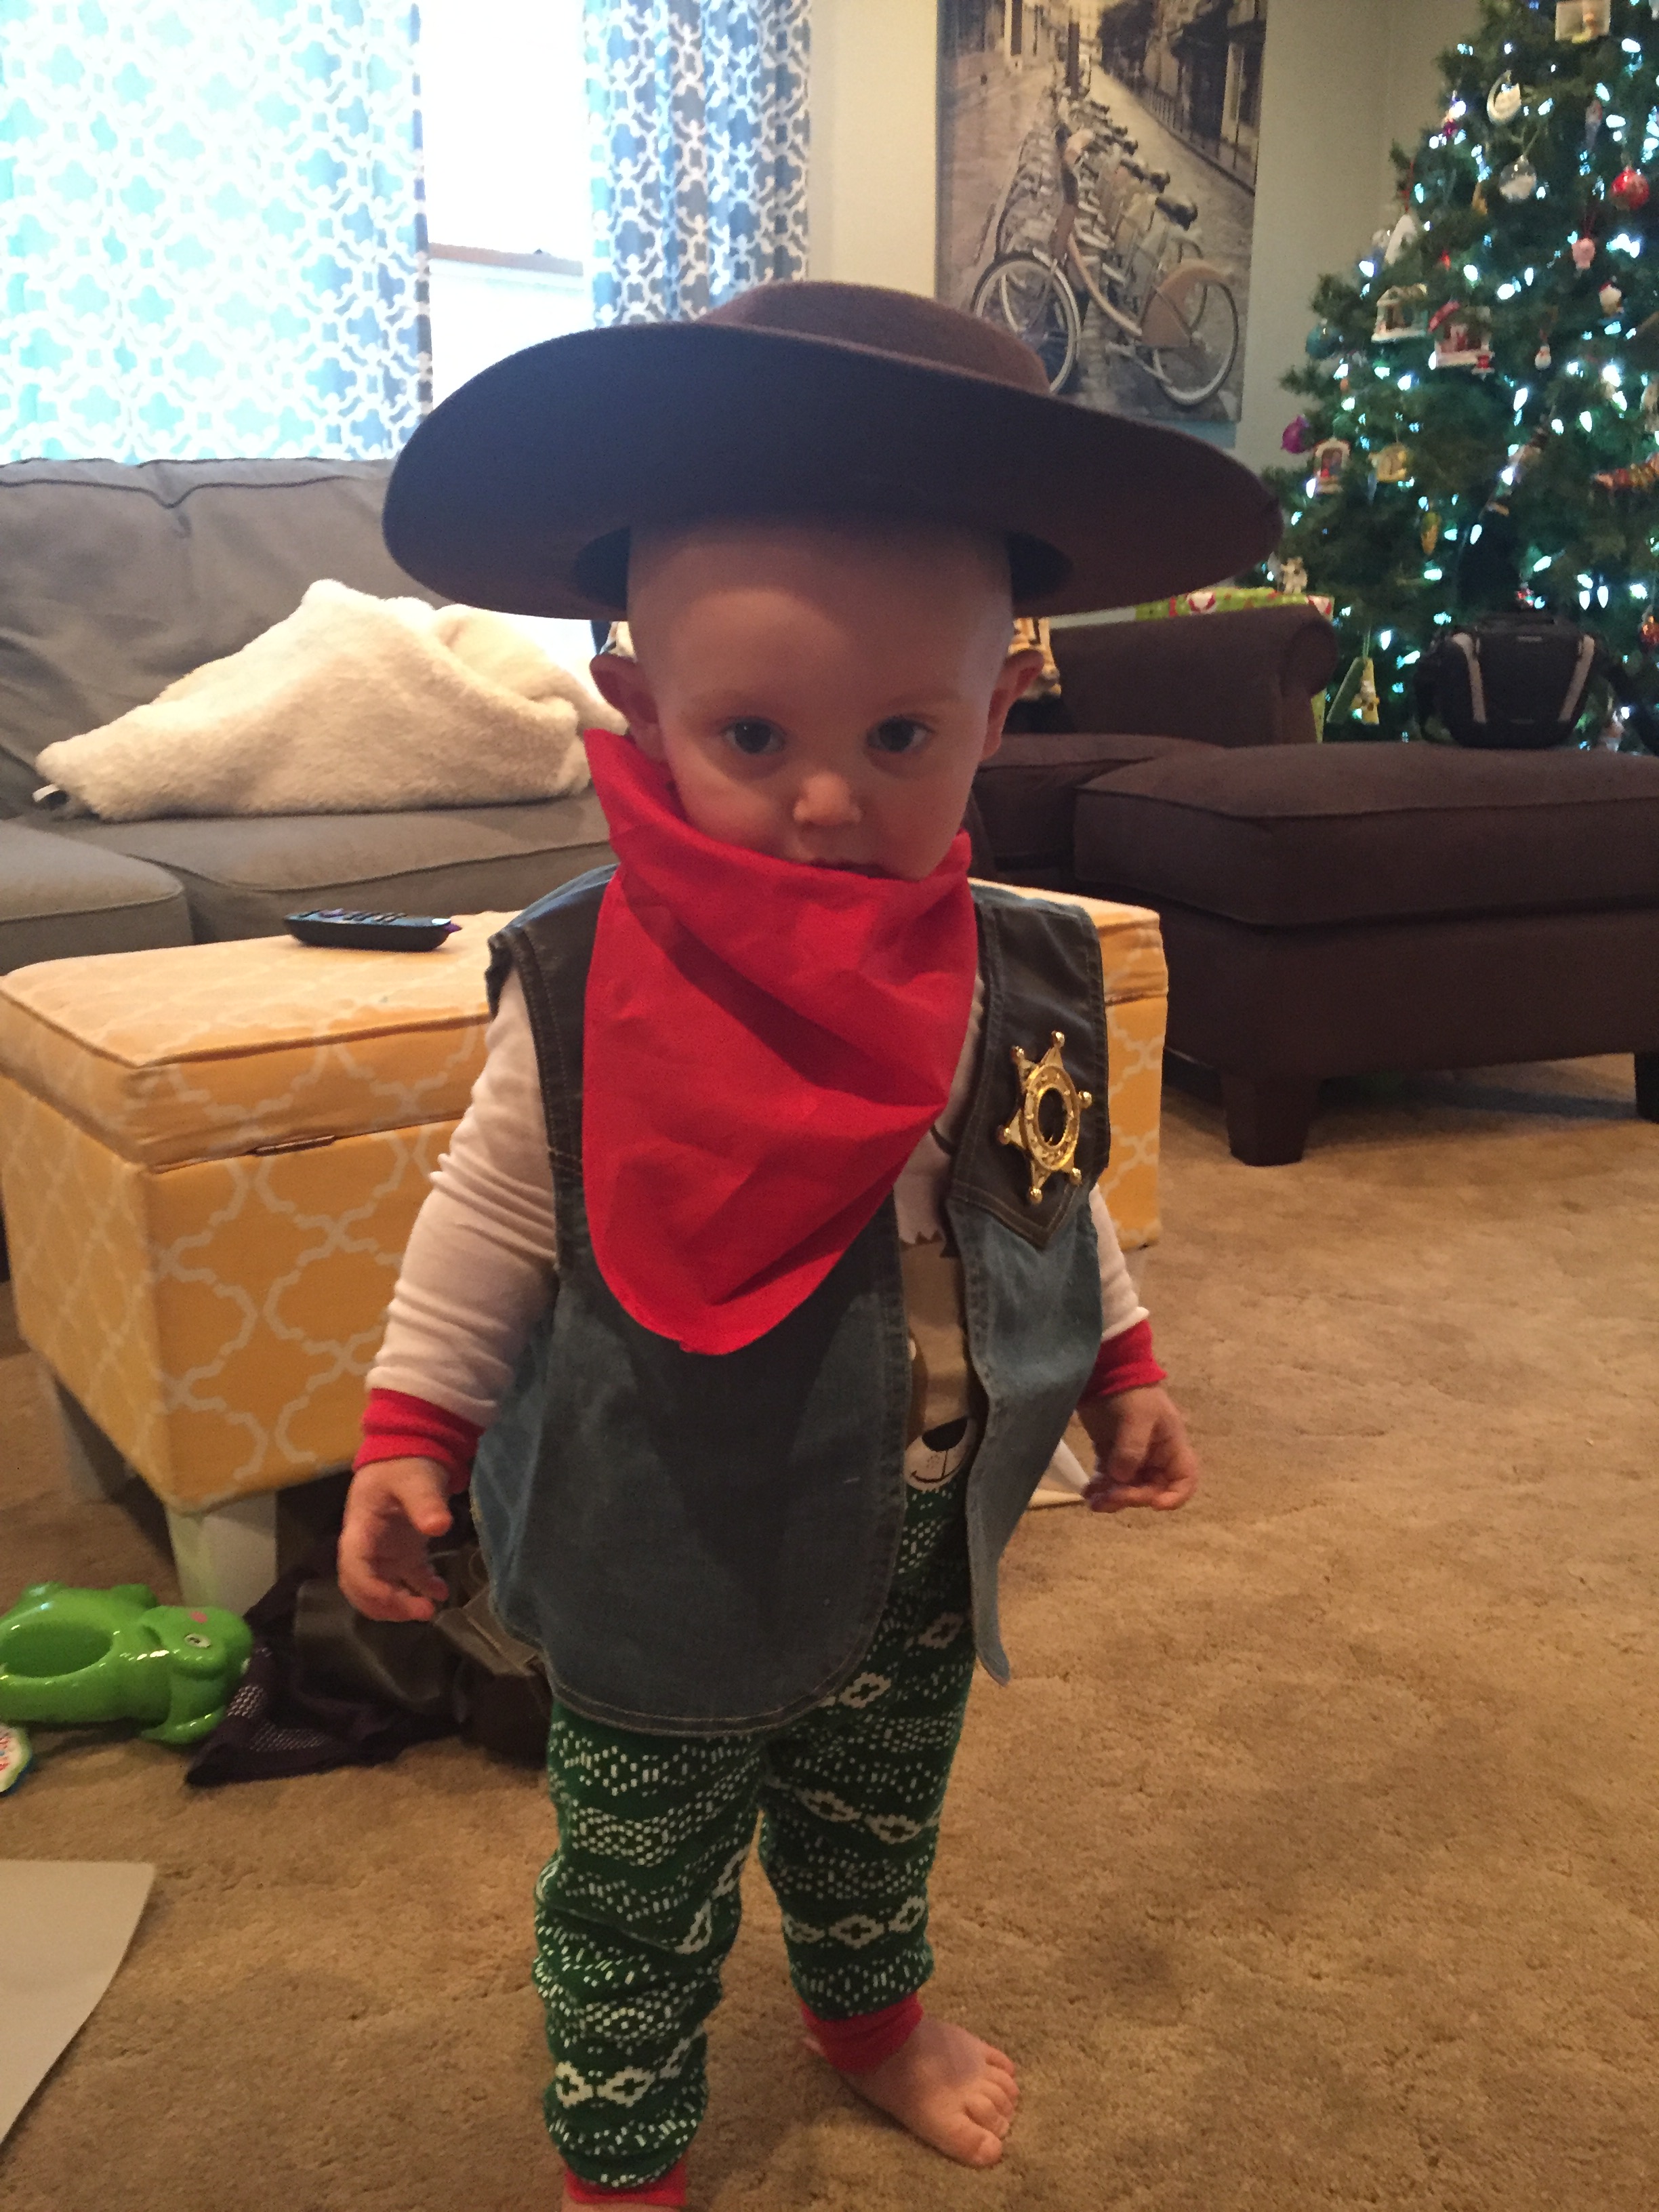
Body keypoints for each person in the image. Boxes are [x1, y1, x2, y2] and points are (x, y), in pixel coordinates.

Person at [337, 281, 1278, 2206]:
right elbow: (492, 1212)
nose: (829, 800)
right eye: (751, 733)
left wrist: (1125, 1361)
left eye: (902, 732)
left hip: (923, 1522)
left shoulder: (1019, 962)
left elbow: (1050, 1182)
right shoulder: (583, 972)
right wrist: (409, 1429)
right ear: (640, 710)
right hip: (664, 1537)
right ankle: (622, 2150)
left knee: (875, 1811)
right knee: (641, 1873)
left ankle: (867, 2011)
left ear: (1001, 709)